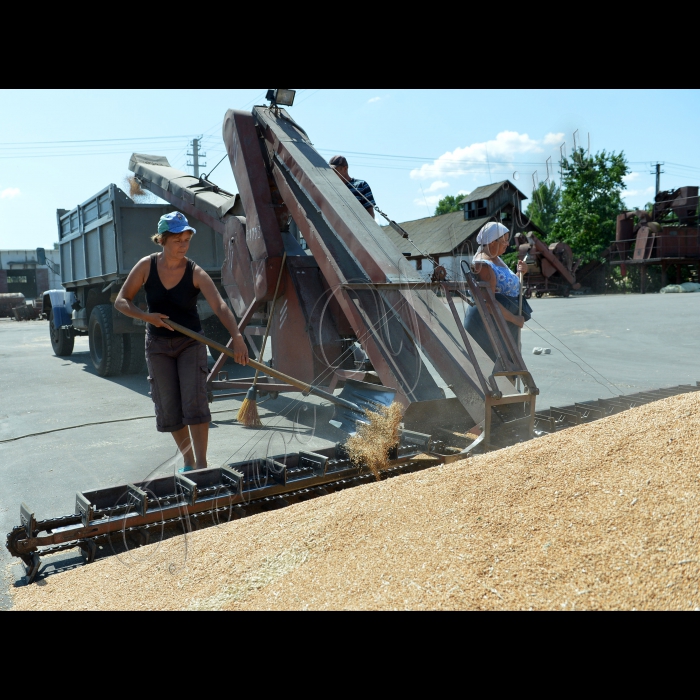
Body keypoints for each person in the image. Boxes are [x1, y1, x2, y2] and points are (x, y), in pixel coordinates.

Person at [115, 211, 248, 472]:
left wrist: (238, 337)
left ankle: (201, 463)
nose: (183, 245)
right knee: (169, 406)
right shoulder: (146, 266)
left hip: (190, 343)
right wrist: (146, 317)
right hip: (158, 346)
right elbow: (122, 301)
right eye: (177, 240)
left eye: (186, 239)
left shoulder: (194, 272)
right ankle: (188, 462)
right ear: (163, 240)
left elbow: (220, 306)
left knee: (195, 403)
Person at [463, 221, 530, 362]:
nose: (507, 244)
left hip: (503, 322)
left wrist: (520, 272)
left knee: (510, 368)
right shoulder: (482, 265)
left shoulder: (496, 259)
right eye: (504, 240)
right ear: (492, 242)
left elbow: (509, 286)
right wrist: (514, 319)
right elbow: (488, 303)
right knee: (498, 370)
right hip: (488, 326)